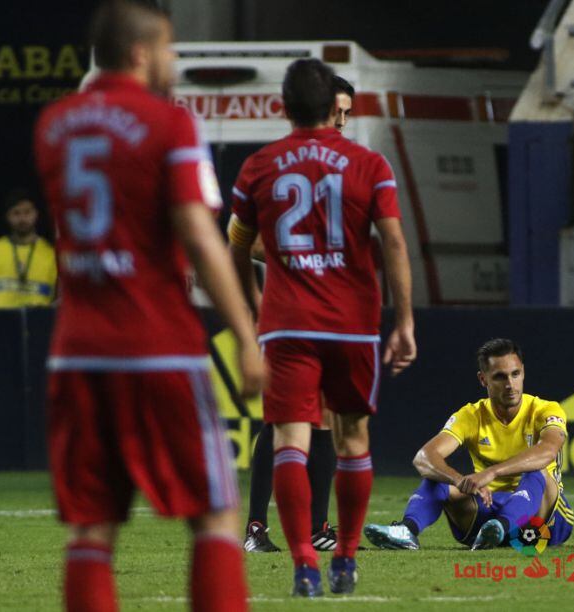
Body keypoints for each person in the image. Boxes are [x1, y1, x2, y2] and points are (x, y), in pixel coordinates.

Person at [34, 2, 265, 611]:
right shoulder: (169, 124)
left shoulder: (54, 125)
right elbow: (196, 232)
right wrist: (245, 334)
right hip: (157, 346)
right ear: (140, 53)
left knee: (91, 528)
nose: (175, 60)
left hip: (77, 354)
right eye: (169, 48)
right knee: (215, 514)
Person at [228, 58, 416, 596]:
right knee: (353, 439)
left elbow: (235, 245)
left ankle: (304, 563)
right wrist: (403, 321)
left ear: (282, 106)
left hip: (286, 324)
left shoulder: (259, 166)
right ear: (332, 106)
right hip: (352, 325)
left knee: (289, 439)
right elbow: (394, 243)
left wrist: (251, 310)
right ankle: (347, 558)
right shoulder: (369, 164)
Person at [244, 74, 357, 554]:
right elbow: (244, 241)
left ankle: (314, 528)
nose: (344, 120)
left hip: (330, 317)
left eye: (349, 113)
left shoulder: (343, 166)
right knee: (283, 420)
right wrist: (301, 261)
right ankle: (255, 528)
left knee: (325, 419)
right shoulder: (289, 165)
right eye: (340, 111)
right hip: (292, 318)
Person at [364, 339, 573, 552]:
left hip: (543, 520)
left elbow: (548, 450)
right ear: (483, 380)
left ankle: (502, 527)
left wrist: (491, 472)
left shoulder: (546, 409)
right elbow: (424, 457)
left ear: (523, 372)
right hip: (488, 510)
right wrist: (458, 480)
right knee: (436, 478)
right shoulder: (471, 416)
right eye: (500, 377)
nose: (510, 384)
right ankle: (407, 530)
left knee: (536, 471)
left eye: (515, 374)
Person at [0, 190, 57, 308]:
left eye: (27, 212)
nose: (22, 218)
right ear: (7, 216)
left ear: (36, 214)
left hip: (37, 325)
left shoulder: (52, 256)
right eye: (16, 213)